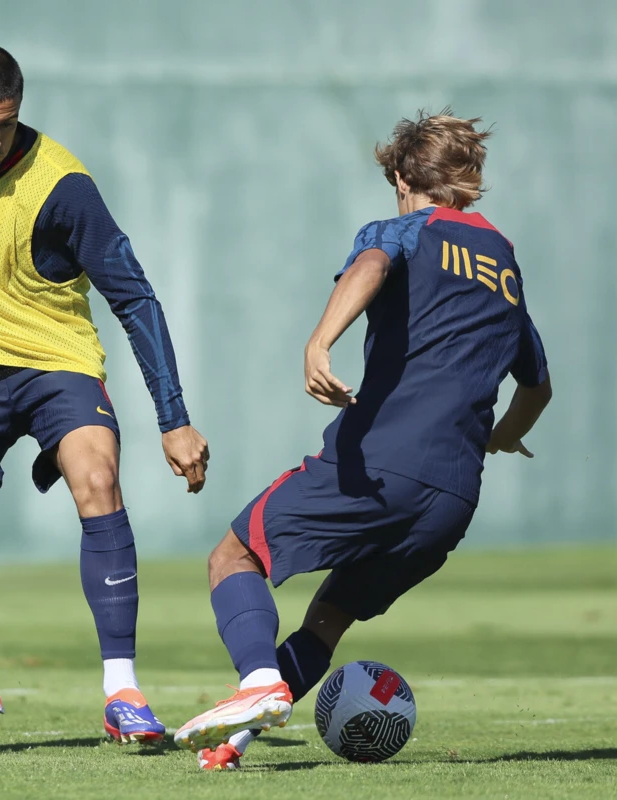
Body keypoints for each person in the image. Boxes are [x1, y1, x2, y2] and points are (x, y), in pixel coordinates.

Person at [173, 110, 552, 770]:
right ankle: (234, 744)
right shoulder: (504, 262)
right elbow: (537, 387)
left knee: (234, 556)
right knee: (328, 616)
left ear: (403, 176)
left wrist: (320, 342)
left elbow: (373, 262)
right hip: (453, 499)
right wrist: (501, 436)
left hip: (381, 464)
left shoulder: (403, 229)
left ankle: (259, 683)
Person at [0, 44, 210, 757]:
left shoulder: (63, 186)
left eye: (5, 123)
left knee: (95, 476)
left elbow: (135, 298)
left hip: (57, 366)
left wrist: (174, 419)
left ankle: (123, 692)